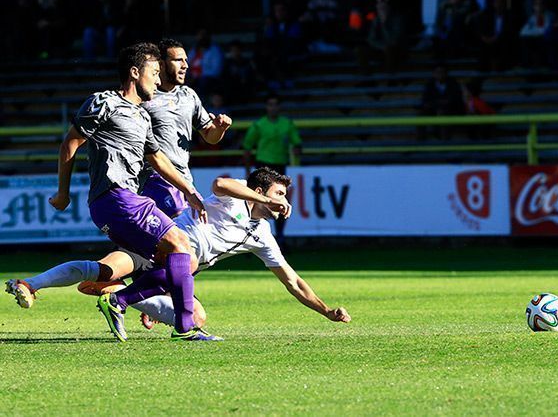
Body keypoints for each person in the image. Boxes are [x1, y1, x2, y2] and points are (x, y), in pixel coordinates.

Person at [6, 168, 352, 337]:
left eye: (283, 195)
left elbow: (293, 281)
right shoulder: (235, 198)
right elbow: (220, 183)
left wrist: (326, 311)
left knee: (197, 318)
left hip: (178, 271)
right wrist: (262, 199)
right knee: (102, 267)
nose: (282, 200)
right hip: (158, 244)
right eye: (278, 192)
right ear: (260, 191)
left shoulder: (262, 235)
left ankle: (119, 297)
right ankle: (31, 283)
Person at [28, 42, 207, 342]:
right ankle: (183, 328)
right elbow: (70, 144)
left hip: (121, 204)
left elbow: (158, 159)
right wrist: (63, 193)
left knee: (169, 259)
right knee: (180, 244)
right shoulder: (103, 103)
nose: (158, 78)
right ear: (135, 73)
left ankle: (121, 298)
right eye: (154, 71)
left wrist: (188, 189)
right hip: (117, 198)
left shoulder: (143, 116)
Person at [140, 38, 232, 219]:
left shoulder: (189, 95)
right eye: (178, 60)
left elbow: (210, 136)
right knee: (182, 233)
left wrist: (220, 129)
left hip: (183, 179)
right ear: (161, 64)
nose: (185, 66)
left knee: (188, 237)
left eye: (186, 61)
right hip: (154, 178)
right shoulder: (144, 96)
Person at [243, 94, 301, 247]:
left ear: (279, 107)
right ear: (266, 107)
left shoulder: (287, 124)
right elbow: (247, 147)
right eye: (270, 104)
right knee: (257, 202)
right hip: (263, 166)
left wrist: (296, 153)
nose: (273, 108)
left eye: (275, 105)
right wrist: (248, 169)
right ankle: (250, 235)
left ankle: (280, 237)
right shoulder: (259, 125)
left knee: (280, 201)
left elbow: (297, 143)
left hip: (280, 167)